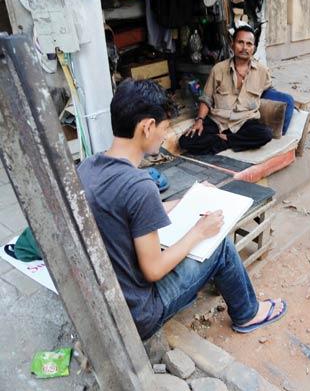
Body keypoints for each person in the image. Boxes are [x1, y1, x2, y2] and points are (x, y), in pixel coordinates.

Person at [77, 79, 287, 340]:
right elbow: (153, 270)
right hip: (138, 313)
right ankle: (247, 313)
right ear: (147, 126)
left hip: (105, 299)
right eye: (164, 128)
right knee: (218, 245)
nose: (165, 135)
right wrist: (199, 233)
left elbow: (126, 214)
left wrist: (189, 198)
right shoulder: (140, 186)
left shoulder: (89, 166)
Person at [179, 24, 292, 154]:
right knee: (185, 141)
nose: (244, 48)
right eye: (240, 42)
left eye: (249, 44)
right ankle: (230, 142)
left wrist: (288, 102)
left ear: (253, 48)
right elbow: (206, 98)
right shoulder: (218, 69)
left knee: (265, 134)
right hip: (218, 121)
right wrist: (199, 121)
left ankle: (226, 140)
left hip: (244, 122)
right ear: (232, 44)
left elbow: (269, 91)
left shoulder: (262, 72)